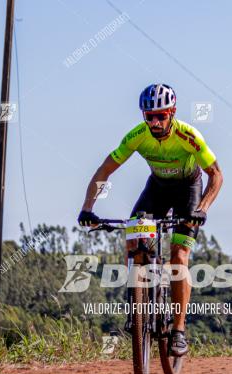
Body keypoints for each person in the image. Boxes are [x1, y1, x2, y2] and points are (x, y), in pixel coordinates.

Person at [78, 83, 224, 357]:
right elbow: (105, 170)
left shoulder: (188, 135)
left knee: (179, 257)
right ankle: (138, 302)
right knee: (134, 241)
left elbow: (216, 174)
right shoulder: (137, 136)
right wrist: (88, 208)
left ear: (173, 113)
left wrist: (202, 209)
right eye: (149, 116)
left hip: (188, 190)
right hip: (157, 189)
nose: (155, 122)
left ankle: (178, 330)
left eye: (161, 116)